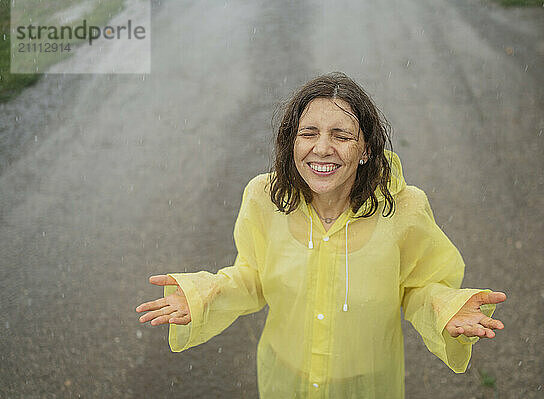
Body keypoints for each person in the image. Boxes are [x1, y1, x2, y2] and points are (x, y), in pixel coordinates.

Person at [135, 71, 507, 398]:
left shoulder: (405, 208)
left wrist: (447, 308)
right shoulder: (263, 198)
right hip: (285, 378)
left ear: (365, 149)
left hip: (366, 384)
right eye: (308, 133)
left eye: (341, 135)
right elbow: (252, 277)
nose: (322, 148)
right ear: (291, 143)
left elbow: (418, 288)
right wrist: (202, 295)